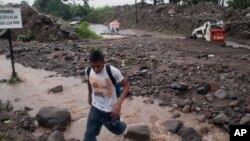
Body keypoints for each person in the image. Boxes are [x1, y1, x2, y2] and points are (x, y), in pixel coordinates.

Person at [84, 50, 129, 141]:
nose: (95, 69)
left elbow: (126, 85)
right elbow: (89, 83)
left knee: (117, 129)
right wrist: (89, 96)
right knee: (89, 134)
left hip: (110, 110)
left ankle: (122, 126)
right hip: (95, 107)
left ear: (104, 62)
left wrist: (118, 103)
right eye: (93, 66)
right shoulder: (88, 71)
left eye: (98, 66)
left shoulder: (112, 71)